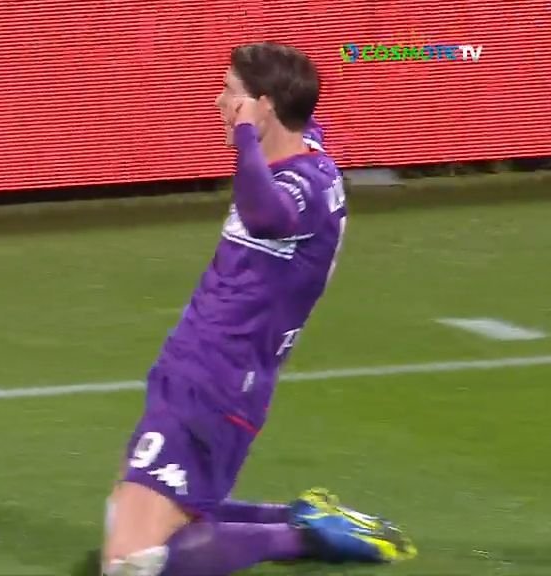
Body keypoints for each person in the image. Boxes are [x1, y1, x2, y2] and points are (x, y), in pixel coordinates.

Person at [100, 42, 417, 576]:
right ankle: (299, 517)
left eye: (232, 94)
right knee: (130, 519)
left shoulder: (301, 186)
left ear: (264, 106)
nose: (219, 103)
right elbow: (303, 123)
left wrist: (246, 133)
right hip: (192, 361)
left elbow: (265, 215)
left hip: (221, 381)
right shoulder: (304, 149)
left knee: (131, 565)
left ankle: (300, 537)